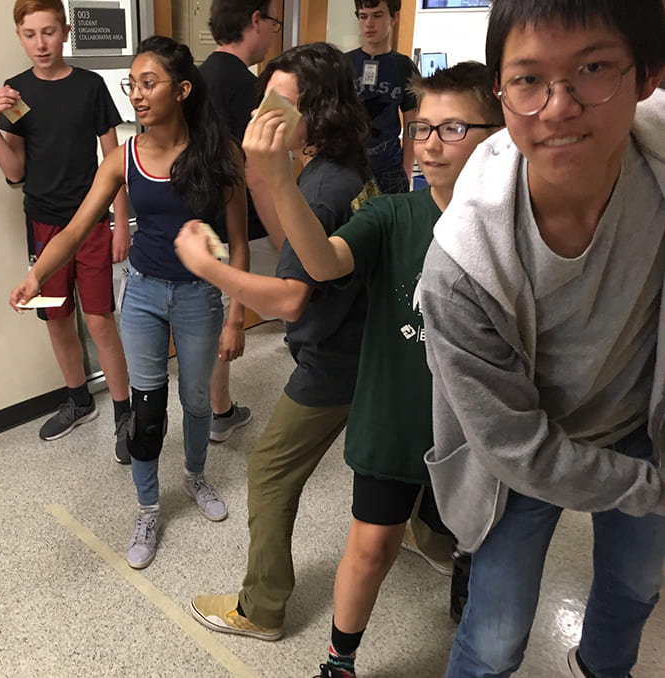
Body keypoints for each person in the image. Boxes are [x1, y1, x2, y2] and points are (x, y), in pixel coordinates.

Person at [417, 2, 665, 677]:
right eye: (528, 80)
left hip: (638, 424)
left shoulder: (657, 170)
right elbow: (515, 448)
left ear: (646, 76)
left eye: (592, 69)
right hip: (519, 458)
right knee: (494, 635)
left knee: (637, 586)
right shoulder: (461, 268)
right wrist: (651, 487)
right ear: (501, 91)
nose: (558, 107)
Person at [242, 61, 503, 677]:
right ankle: (339, 659)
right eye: (422, 128)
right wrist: (279, 179)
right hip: (397, 414)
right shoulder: (393, 216)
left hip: (478, 429)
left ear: (497, 135)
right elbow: (325, 262)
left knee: (477, 540)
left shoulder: (511, 224)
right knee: (370, 547)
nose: (431, 144)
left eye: (454, 128)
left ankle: (464, 590)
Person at [10, 36, 248, 570]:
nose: (137, 95)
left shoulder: (219, 153)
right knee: (146, 411)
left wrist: (236, 313)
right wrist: (36, 274)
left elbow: (236, 242)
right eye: (132, 84)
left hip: (199, 296)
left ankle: (194, 474)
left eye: (149, 83)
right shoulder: (124, 158)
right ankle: (147, 508)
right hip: (141, 292)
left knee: (195, 400)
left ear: (182, 90)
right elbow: (75, 229)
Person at [178, 41, 376, 643]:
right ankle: (431, 531)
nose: (264, 114)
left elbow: (289, 298)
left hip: (335, 358)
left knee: (267, 471)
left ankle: (261, 608)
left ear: (317, 112)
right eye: (265, 99)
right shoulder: (340, 168)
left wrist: (208, 267)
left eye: (281, 104)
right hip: (365, 344)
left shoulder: (318, 188)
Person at [0, 0, 132, 462]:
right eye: (30, 34)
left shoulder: (90, 86)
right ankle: (80, 400)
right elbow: (14, 171)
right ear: (20, 36)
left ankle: (125, 414)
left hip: (90, 220)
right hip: (43, 222)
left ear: (65, 32)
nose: (40, 43)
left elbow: (115, 158)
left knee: (101, 318)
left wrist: (120, 221)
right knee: (58, 317)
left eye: (48, 32)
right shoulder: (16, 91)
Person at [197, 0, 282, 444]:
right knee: (297, 297)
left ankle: (218, 409)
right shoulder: (248, 88)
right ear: (255, 21)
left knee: (210, 317)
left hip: (198, 220)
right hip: (241, 222)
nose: (272, 32)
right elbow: (255, 168)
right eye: (273, 23)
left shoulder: (198, 76)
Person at [346, 0, 418, 194]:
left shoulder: (404, 67)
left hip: (390, 168)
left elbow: (413, 123)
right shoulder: (343, 64)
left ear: (394, 17)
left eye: (377, 15)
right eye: (363, 16)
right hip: (350, 167)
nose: (369, 23)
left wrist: (407, 170)